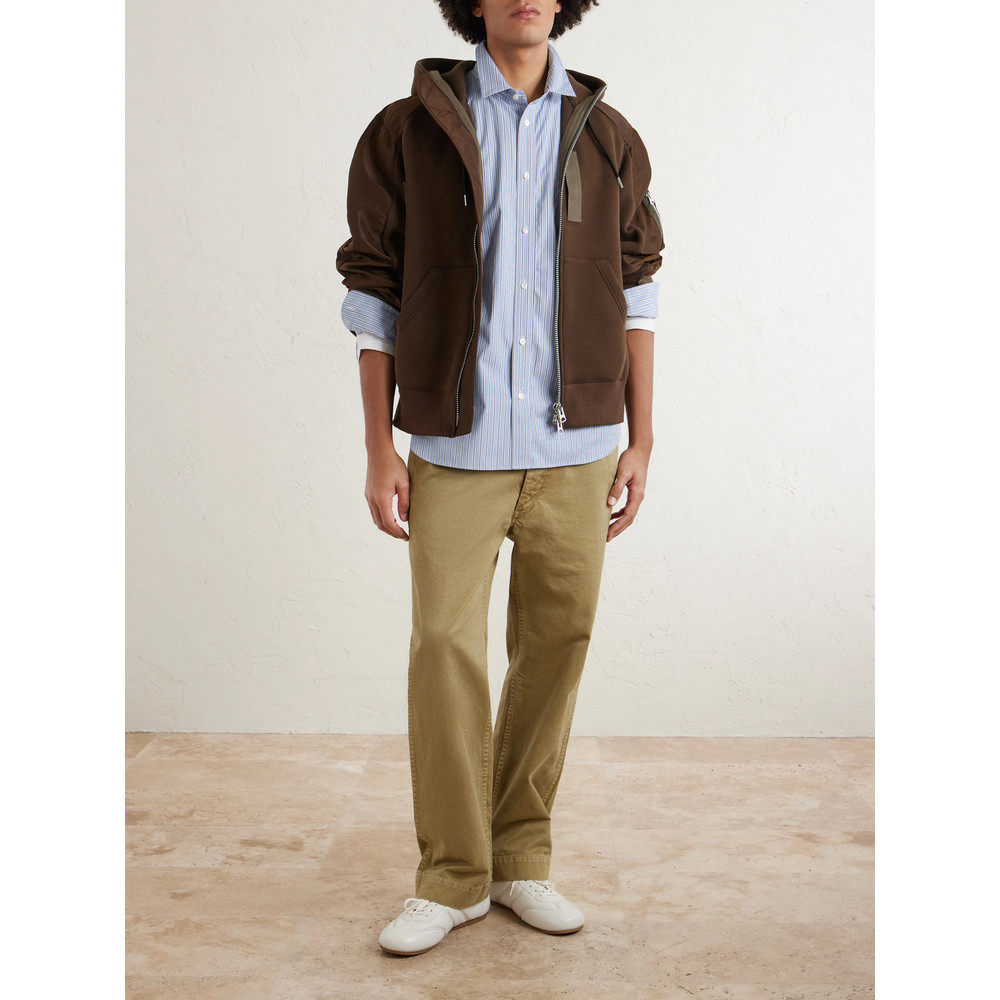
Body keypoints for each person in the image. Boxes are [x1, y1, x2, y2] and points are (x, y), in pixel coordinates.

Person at [336, 0, 663, 956]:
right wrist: (379, 447)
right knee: (444, 646)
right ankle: (451, 875)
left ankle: (521, 858)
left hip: (580, 447)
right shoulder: (406, 131)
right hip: (454, 447)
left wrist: (643, 440)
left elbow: (638, 293)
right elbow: (373, 294)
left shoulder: (607, 135)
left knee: (556, 645)